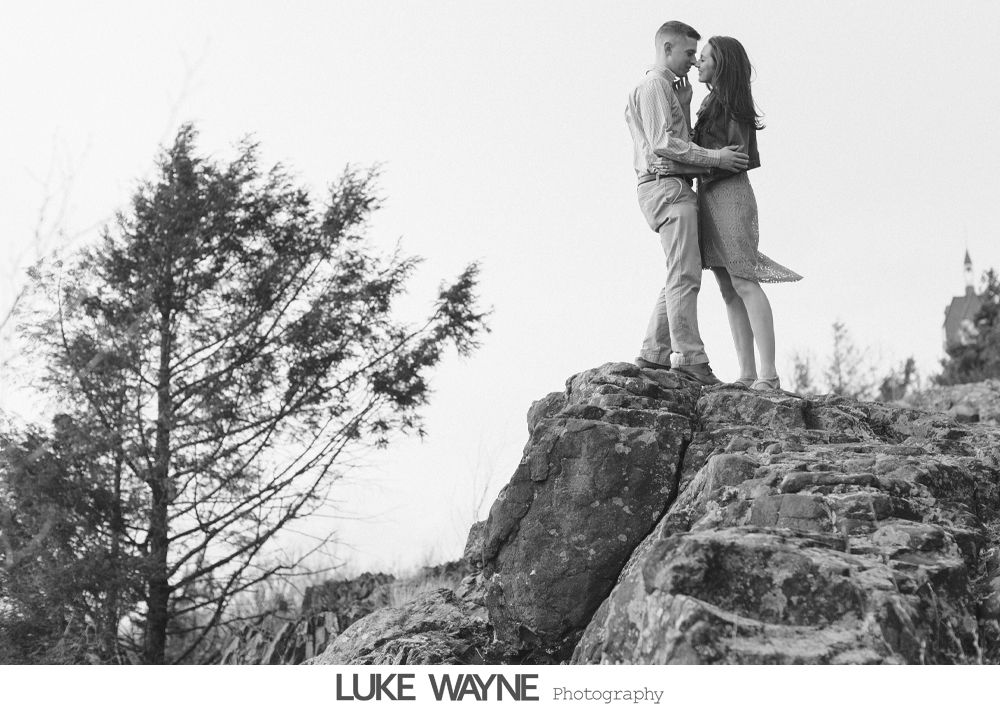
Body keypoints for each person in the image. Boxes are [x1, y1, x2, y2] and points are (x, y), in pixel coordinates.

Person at [626, 21, 749, 385]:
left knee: (682, 269)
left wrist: (683, 105)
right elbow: (664, 144)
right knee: (685, 274)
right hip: (666, 188)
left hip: (669, 186)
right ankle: (690, 358)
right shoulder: (654, 86)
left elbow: (671, 140)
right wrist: (717, 158)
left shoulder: (665, 90)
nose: (694, 62)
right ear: (667, 48)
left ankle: (654, 353)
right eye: (689, 53)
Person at [691, 36, 801, 391]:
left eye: (704, 57)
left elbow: (736, 157)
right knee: (728, 288)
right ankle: (747, 373)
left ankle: (769, 374)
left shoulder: (732, 102)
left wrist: (700, 160)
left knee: (744, 281)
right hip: (709, 196)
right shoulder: (709, 102)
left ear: (721, 63)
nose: (697, 63)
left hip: (730, 195)